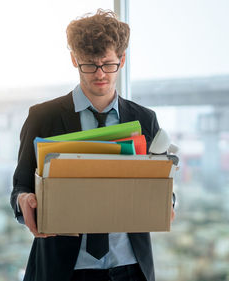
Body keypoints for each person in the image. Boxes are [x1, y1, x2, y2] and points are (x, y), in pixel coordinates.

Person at [10, 9, 173, 281]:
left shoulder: (145, 119)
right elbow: (21, 186)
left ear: (121, 60)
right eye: (89, 64)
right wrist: (23, 200)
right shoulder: (43, 117)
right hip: (64, 270)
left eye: (108, 64)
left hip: (131, 269)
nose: (100, 74)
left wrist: (168, 202)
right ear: (74, 59)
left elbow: (162, 185)